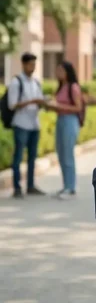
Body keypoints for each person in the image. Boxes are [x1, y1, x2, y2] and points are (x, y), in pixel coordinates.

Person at [7, 53, 46, 199]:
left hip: (34, 124)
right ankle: (17, 187)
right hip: (21, 124)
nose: (33, 67)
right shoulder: (17, 82)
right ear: (23, 64)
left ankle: (30, 185)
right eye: (30, 64)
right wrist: (31, 101)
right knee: (18, 157)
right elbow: (12, 105)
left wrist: (41, 102)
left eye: (34, 64)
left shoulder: (36, 82)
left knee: (32, 157)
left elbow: (40, 101)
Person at [47, 61, 83, 201]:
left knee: (68, 154)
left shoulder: (73, 87)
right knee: (61, 154)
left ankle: (71, 187)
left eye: (61, 70)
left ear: (67, 72)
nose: (58, 73)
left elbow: (78, 108)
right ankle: (65, 185)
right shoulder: (62, 87)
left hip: (70, 121)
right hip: (60, 121)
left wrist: (59, 105)